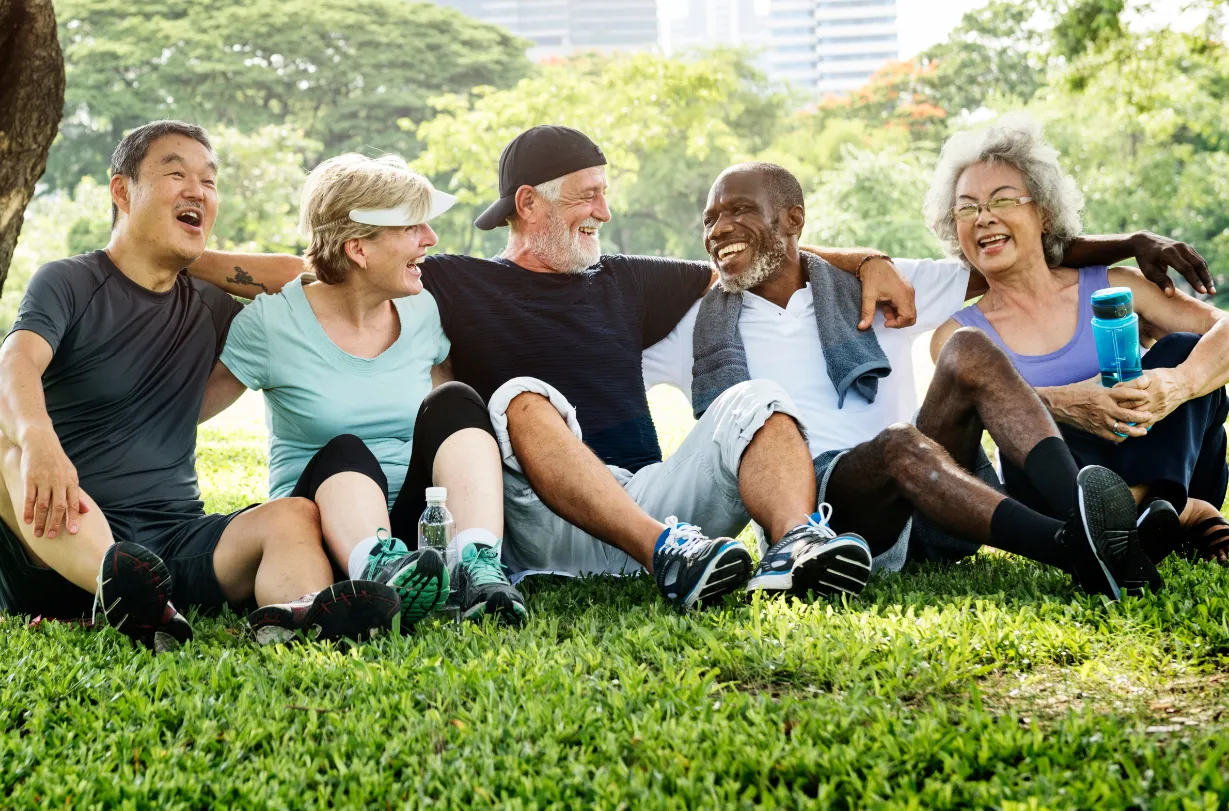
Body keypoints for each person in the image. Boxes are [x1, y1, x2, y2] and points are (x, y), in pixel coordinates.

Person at [189, 126, 928, 609]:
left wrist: (865, 258)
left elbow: (744, 258)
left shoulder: (630, 278)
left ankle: (794, 545)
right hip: (542, 517)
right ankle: (663, 557)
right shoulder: (446, 281)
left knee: (753, 397)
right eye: (589, 195)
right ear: (527, 205)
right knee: (515, 392)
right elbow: (321, 268)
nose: (604, 212)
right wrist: (176, 253)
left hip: (647, 496)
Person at [644, 162, 1210, 599]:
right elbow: (607, 360)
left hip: (942, 502)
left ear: (793, 221)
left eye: (740, 210)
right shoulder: (697, 327)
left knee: (969, 348)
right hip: (832, 515)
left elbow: (1012, 252)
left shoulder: (878, 288)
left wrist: (1131, 243)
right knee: (897, 444)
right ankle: (1080, 552)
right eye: (710, 219)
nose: (720, 229)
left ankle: (1085, 517)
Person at [0, 121, 401, 650]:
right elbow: (12, 367)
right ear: (122, 191)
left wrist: (191, 258)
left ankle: (298, 616)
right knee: (11, 448)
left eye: (208, 182)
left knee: (292, 516)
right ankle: (120, 588)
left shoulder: (209, 307)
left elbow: (317, 278)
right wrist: (41, 440)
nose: (198, 191)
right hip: (60, 542)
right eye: (176, 173)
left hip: (173, 541)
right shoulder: (70, 282)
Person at [200, 153, 525, 626]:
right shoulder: (272, 324)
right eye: (413, 227)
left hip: (420, 540)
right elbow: (184, 413)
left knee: (458, 403)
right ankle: (378, 570)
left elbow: (450, 435)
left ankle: (476, 567)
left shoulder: (421, 311)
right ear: (358, 249)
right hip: (327, 529)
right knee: (345, 448)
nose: (430, 239)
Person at [927, 115, 1229, 567]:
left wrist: (1176, 385)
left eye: (1002, 199)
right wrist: (1067, 402)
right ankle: (1179, 517)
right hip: (1068, 492)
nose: (983, 216)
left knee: (1182, 347)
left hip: (1172, 460)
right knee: (1030, 429)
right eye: (967, 208)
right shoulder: (957, 336)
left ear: (1044, 212)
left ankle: (1141, 509)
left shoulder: (1115, 285)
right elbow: (974, 418)